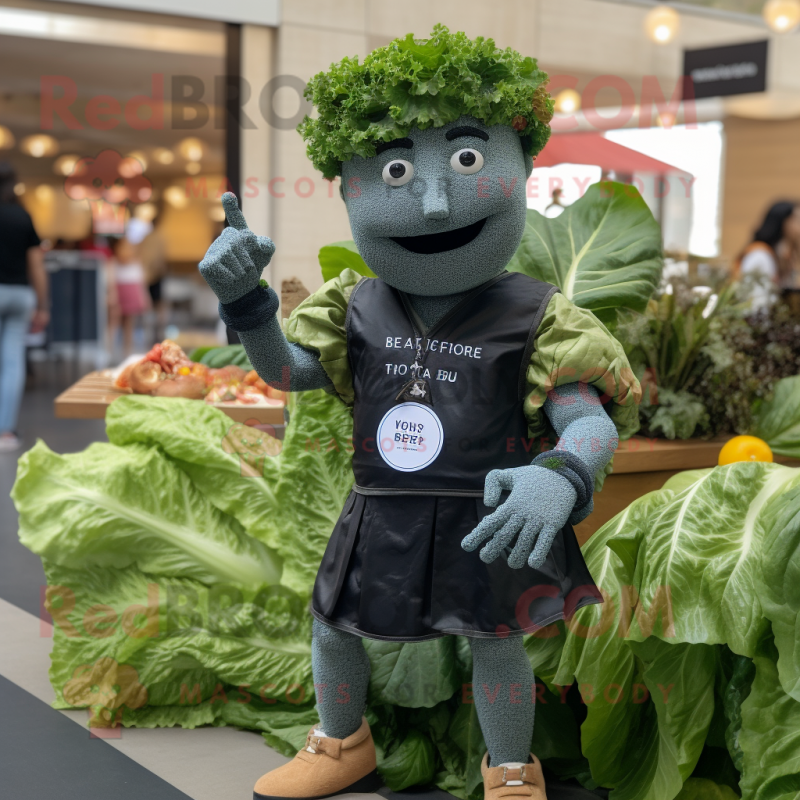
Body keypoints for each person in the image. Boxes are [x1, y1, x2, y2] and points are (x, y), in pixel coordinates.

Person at [200, 27, 639, 800]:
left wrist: (565, 474)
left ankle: (510, 769)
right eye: (397, 170)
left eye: (467, 160)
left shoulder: (539, 315)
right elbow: (288, 372)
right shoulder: (355, 305)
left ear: (520, 165)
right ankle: (342, 743)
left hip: (488, 512)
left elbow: (587, 416)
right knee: (335, 625)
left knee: (496, 642)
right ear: (349, 187)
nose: (435, 201)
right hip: (379, 506)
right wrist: (247, 302)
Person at [0, 162, 49, 452]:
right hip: (20, 295)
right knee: (12, 361)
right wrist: (44, 305)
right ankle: (5, 432)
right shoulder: (22, 217)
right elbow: (37, 266)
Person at [737, 201, 800, 309]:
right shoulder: (760, 255)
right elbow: (754, 302)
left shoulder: (782, 255)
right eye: (797, 219)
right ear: (783, 222)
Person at [107, 235, 149, 357]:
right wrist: (112, 294)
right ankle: (108, 351)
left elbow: (141, 283)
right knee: (113, 323)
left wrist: (144, 298)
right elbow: (110, 281)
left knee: (129, 325)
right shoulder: (113, 263)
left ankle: (128, 352)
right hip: (118, 297)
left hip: (132, 297)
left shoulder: (137, 263)